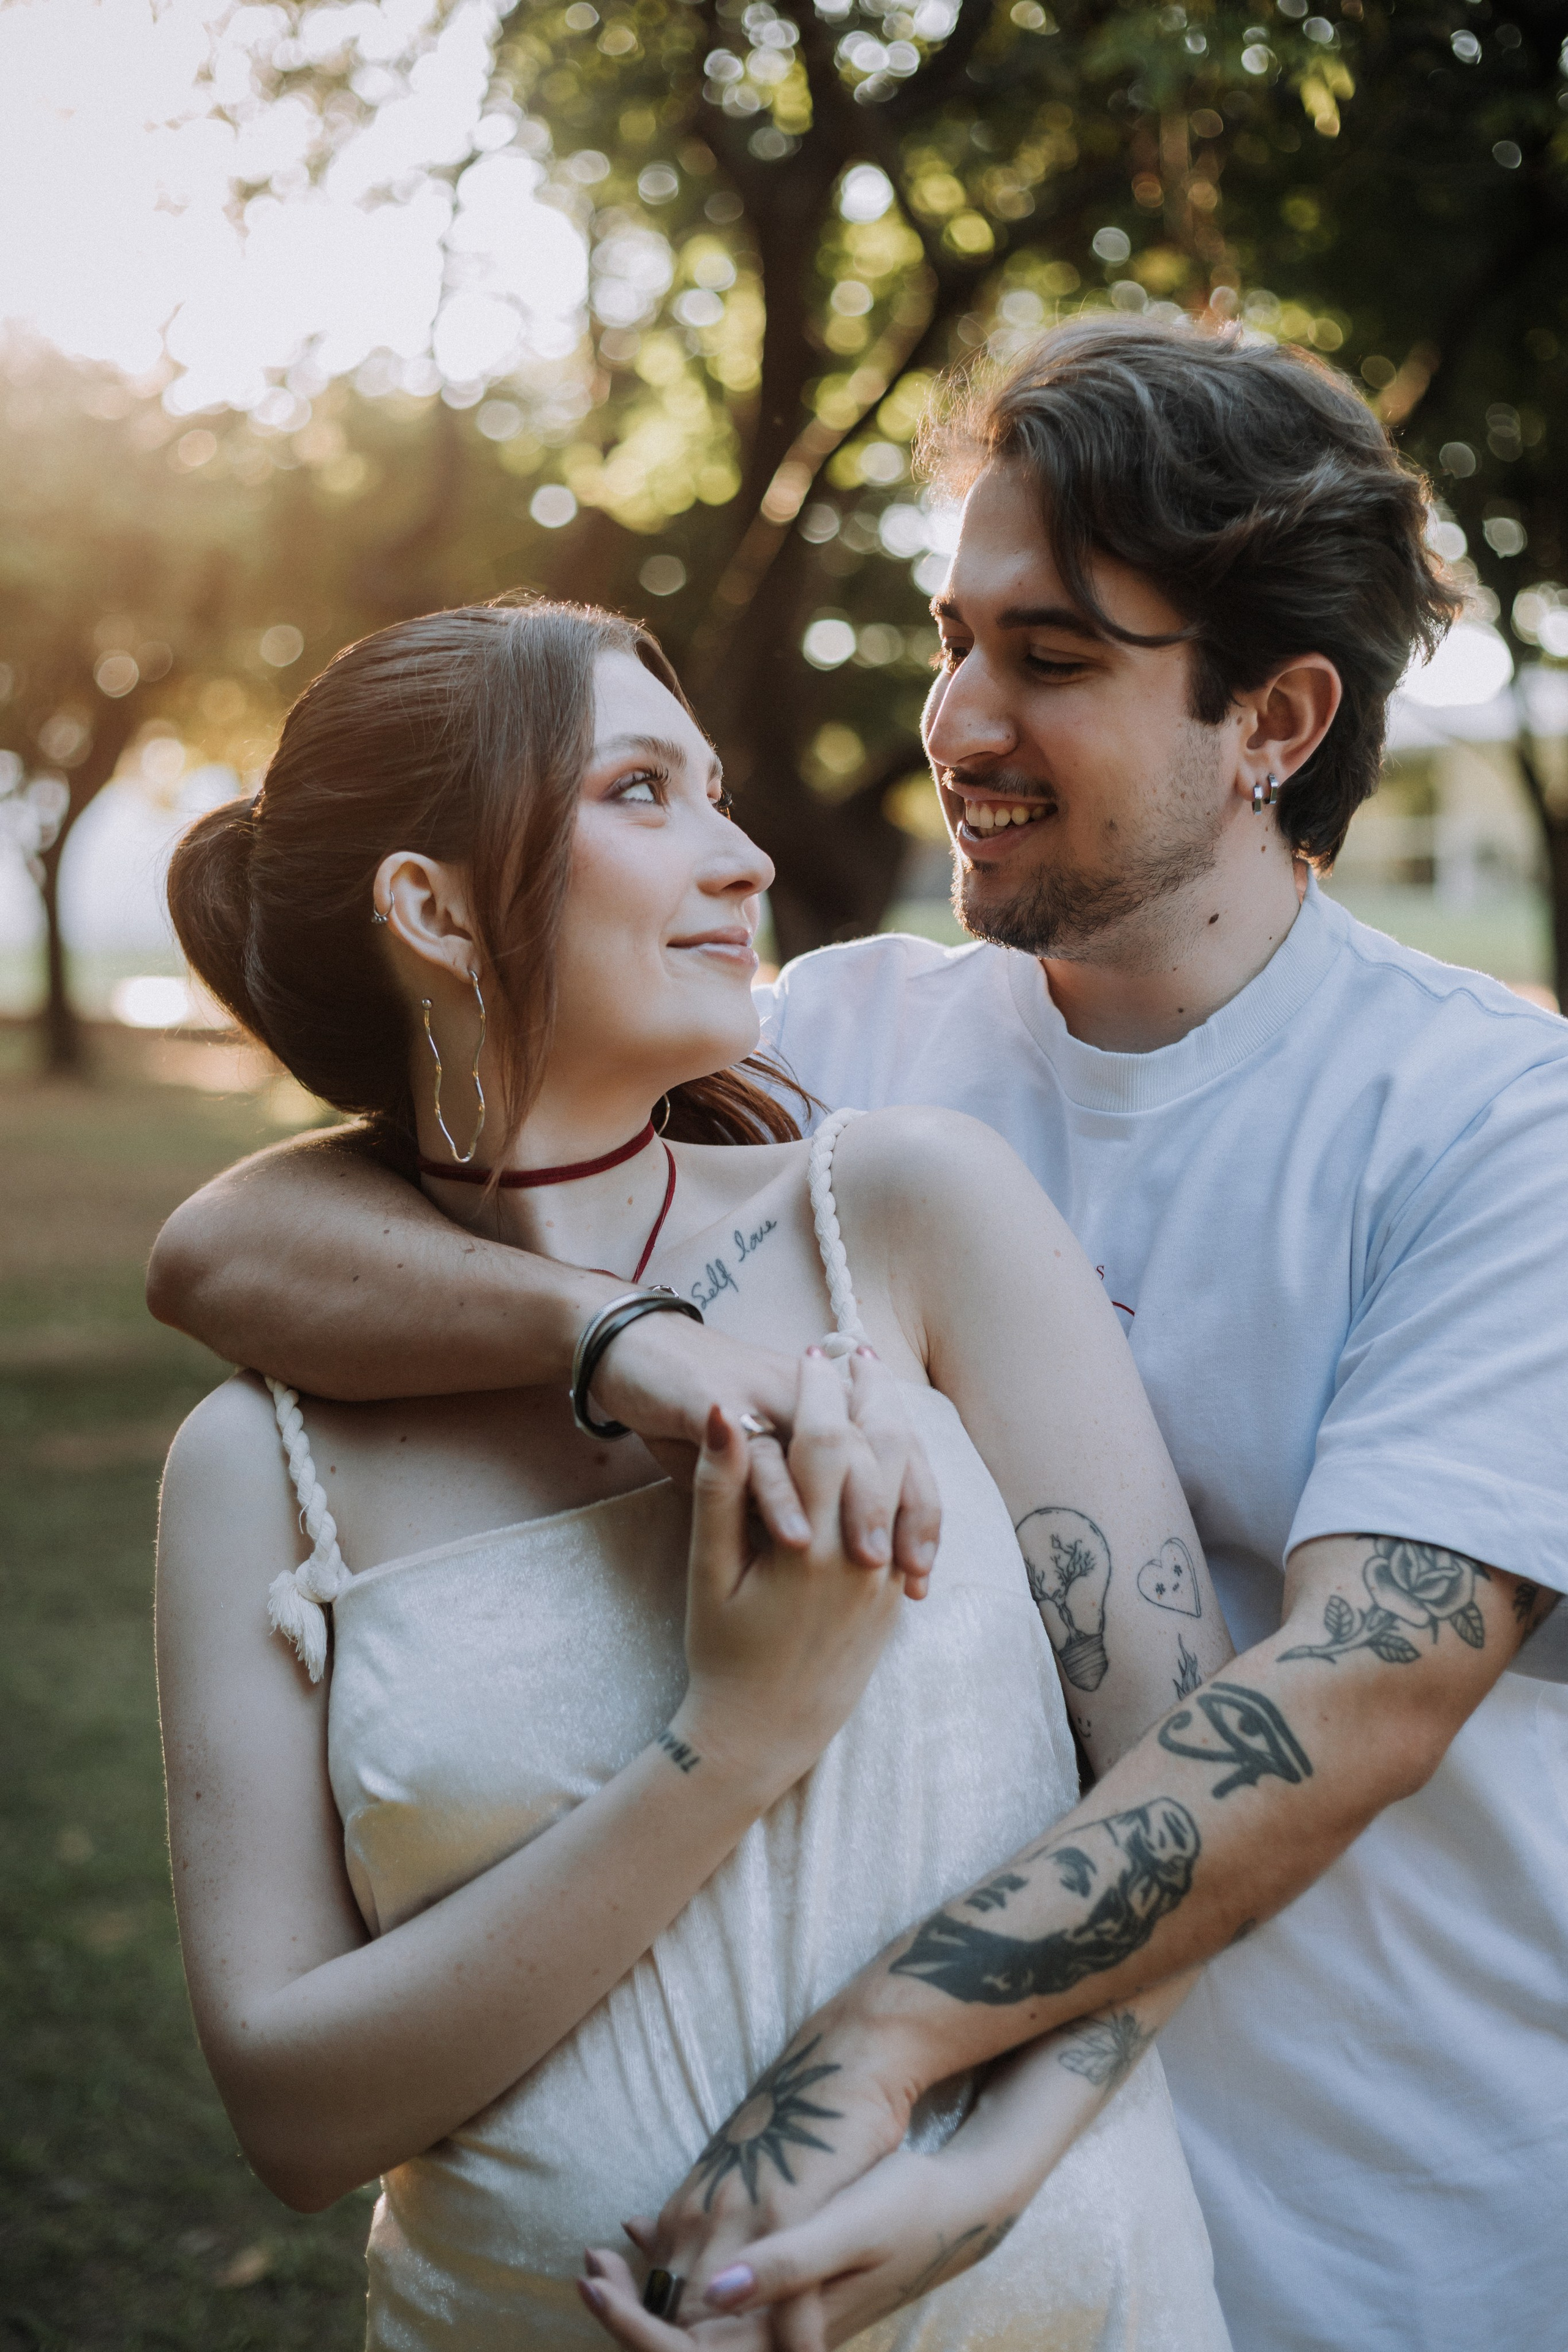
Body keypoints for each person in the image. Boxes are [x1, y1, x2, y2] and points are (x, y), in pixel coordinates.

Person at [148, 321, 1568, 2352]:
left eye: (1054, 659)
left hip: (1384, 2225)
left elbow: (1346, 1706)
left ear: (1276, 717)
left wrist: (899, 2081)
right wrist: (624, 1342)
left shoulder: (1500, 1130)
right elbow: (237, 1240)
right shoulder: (836, 1050)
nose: (961, 718)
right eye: (954, 636)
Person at [153, 595, 1236, 2350]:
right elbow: (295, 2117)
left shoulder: (906, 1213)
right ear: (431, 909)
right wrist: (734, 1742)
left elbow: (1196, 1800)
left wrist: (981, 2181)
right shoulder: (257, 1468)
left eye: (716, 792)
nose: (740, 858)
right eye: (642, 793)